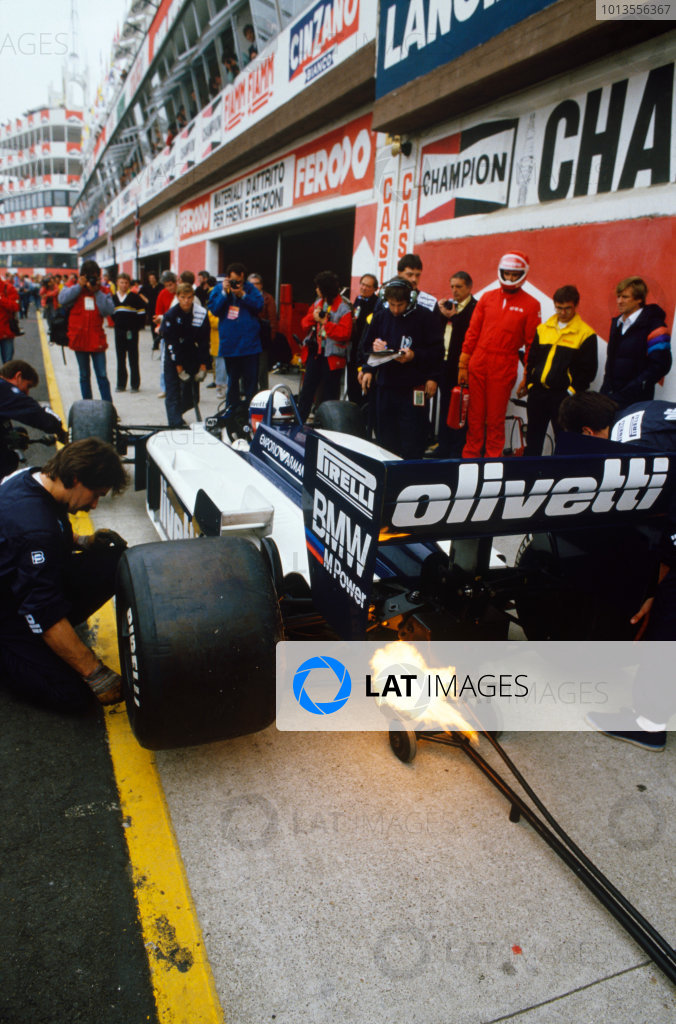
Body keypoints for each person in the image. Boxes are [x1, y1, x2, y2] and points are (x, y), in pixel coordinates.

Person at [559, 391, 676, 749]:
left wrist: (657, 592)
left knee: (669, 612)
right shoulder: (647, 408)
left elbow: (667, 527)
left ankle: (649, 722)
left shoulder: (630, 452)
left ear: (589, 433)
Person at [0, 438, 128, 711]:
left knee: (114, 558)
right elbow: (43, 612)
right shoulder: (34, 530)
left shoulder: (34, 478)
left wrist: (83, 542)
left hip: (20, 580)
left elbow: (51, 525)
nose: (94, 505)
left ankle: (55, 643)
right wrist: (95, 673)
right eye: (95, 494)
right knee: (75, 695)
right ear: (75, 477)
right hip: (10, 612)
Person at [458, 251, 541, 458]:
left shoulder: (532, 305)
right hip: (478, 361)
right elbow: (472, 332)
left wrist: (527, 377)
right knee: (474, 417)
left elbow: (532, 345)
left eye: (515, 274)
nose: (511, 278)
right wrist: (463, 364)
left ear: (523, 274)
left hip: (504, 364)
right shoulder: (487, 298)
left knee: (495, 419)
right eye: (508, 273)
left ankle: (493, 462)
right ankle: (469, 459)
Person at [359, 277, 443, 459]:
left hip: (414, 387)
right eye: (392, 305)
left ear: (411, 300)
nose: (396, 310)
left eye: (400, 305)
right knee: (385, 437)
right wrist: (368, 368)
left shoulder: (425, 317)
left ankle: (411, 476)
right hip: (386, 386)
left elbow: (437, 351)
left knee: (412, 438)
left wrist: (429, 373)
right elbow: (365, 348)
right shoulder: (380, 316)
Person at [518, 284, 598, 456]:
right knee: (533, 439)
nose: (562, 312)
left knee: (564, 440)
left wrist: (570, 392)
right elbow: (531, 360)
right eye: (559, 308)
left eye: (567, 308)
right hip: (538, 394)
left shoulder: (585, 333)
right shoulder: (543, 328)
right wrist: (531, 386)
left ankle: (561, 477)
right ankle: (529, 476)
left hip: (562, 397)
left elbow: (588, 371)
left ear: (576, 306)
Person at [600, 277, 671, 409]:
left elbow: (661, 365)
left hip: (635, 401)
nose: (619, 301)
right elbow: (611, 362)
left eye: (625, 297)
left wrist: (633, 389)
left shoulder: (656, 325)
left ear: (639, 299)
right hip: (609, 397)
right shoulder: (616, 323)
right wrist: (605, 390)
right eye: (618, 296)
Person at [297, 271, 352, 422]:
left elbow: (345, 334)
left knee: (330, 394)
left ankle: (330, 425)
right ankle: (300, 420)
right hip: (316, 354)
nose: (316, 290)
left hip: (333, 358)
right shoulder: (317, 303)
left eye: (318, 287)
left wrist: (325, 323)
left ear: (324, 289)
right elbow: (303, 324)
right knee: (307, 389)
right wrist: (313, 317)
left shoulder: (344, 308)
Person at [208, 263, 263, 412]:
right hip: (230, 345)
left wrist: (242, 295)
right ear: (227, 278)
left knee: (251, 383)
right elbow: (214, 310)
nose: (236, 284)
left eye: (239, 281)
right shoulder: (219, 289)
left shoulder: (250, 289)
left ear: (243, 278)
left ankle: (252, 412)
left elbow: (259, 306)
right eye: (233, 281)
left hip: (249, 345)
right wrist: (225, 294)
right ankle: (231, 411)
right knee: (232, 382)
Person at [58, 260, 115, 403]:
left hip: (97, 340)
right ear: (82, 275)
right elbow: (62, 299)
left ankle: (108, 408)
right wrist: (79, 286)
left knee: (102, 375)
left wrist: (97, 293)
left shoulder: (103, 290)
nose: (91, 280)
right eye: (89, 276)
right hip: (79, 339)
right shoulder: (74, 287)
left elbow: (108, 310)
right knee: (84, 375)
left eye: (94, 277)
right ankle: (87, 407)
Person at [0, 360, 67, 479]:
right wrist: (60, 430)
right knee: (8, 460)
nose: (27, 392)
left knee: (15, 435)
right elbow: (40, 417)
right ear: (18, 377)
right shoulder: (4, 388)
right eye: (28, 386)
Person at [436, 271, 477, 458]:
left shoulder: (475, 308)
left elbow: (471, 333)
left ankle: (457, 448)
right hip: (445, 364)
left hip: (463, 367)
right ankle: (443, 446)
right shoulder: (449, 306)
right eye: (452, 286)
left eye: (459, 287)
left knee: (461, 409)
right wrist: (441, 313)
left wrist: (454, 317)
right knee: (445, 406)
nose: (454, 291)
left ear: (469, 287)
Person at [162, 283, 211, 428]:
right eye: (183, 297)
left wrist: (203, 367)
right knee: (173, 392)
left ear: (193, 297)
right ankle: (175, 424)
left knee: (192, 397)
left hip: (192, 354)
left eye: (189, 297)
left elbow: (204, 341)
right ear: (177, 297)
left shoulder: (201, 313)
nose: (186, 301)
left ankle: (177, 413)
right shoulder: (171, 315)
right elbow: (171, 342)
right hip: (174, 355)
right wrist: (178, 368)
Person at [346, 274, 378, 404]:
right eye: (363, 284)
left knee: (364, 384)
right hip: (353, 348)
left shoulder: (376, 304)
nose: (364, 288)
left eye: (368, 286)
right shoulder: (358, 300)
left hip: (365, 350)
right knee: (352, 383)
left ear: (375, 289)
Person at [111, 272, 146, 393]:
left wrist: (136, 327)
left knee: (133, 358)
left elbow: (142, 312)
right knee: (120, 358)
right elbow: (112, 315)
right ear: (117, 283)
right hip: (119, 332)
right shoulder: (113, 298)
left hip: (132, 332)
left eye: (126, 283)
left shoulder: (134, 297)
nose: (124, 285)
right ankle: (121, 384)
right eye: (121, 282)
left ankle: (135, 384)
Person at [248, 273, 278, 391]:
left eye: (257, 283)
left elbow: (272, 319)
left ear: (261, 285)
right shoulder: (243, 296)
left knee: (262, 368)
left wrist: (271, 336)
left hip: (262, 337)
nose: (255, 286)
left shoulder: (268, 298)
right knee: (247, 367)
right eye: (252, 284)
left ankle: (264, 392)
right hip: (248, 337)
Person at [153, 271, 178, 398]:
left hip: (178, 331)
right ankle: (164, 388)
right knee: (164, 362)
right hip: (166, 330)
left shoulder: (180, 294)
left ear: (175, 282)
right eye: (167, 285)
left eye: (171, 285)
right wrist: (158, 325)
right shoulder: (162, 294)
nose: (169, 288)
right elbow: (158, 311)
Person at [0, 273, 19, 363]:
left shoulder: (8, 288)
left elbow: (15, 306)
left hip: (6, 332)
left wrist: (1, 299)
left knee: (7, 364)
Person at [141, 271, 162, 350]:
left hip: (159, 308)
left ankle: (159, 339)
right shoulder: (147, 286)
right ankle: (155, 342)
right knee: (153, 325)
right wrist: (146, 300)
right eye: (150, 278)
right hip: (150, 308)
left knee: (160, 325)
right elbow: (140, 293)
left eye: (153, 278)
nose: (151, 280)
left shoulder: (160, 286)